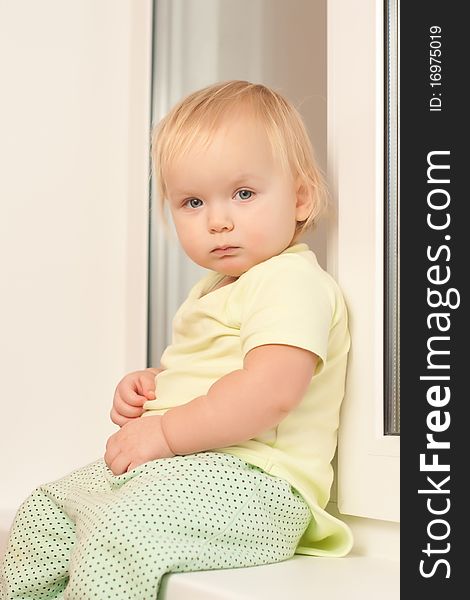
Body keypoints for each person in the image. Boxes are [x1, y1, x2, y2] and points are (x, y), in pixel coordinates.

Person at [0, 80, 353, 599]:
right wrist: (154, 385)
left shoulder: (290, 281)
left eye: (244, 193)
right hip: (189, 472)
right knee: (45, 513)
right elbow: (214, 373)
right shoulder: (215, 289)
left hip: (258, 486)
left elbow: (271, 390)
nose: (218, 220)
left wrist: (164, 433)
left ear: (299, 197)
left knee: (117, 534)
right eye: (192, 202)